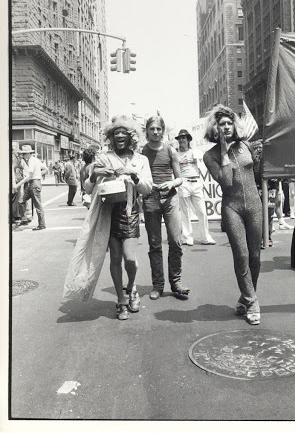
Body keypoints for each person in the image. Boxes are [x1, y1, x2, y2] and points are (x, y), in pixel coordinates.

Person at [63, 115, 153, 320]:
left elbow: (147, 188)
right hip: (108, 214)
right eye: (116, 134)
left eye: (124, 133)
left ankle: (131, 288)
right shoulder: (104, 157)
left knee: (130, 259)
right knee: (114, 258)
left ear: (131, 137)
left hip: (129, 212)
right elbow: (87, 187)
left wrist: (134, 175)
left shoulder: (141, 160)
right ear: (111, 138)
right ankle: (121, 300)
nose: (120, 136)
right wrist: (95, 174)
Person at [203, 104, 262, 325]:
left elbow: (257, 172)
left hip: (255, 206)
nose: (226, 127)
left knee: (255, 256)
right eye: (221, 124)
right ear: (214, 128)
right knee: (242, 255)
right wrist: (224, 152)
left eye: (229, 123)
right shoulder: (209, 156)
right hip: (232, 208)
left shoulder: (245, 145)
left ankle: (245, 297)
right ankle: (253, 301)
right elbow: (226, 182)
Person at [142, 116, 190, 300]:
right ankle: (158, 285)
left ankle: (176, 282)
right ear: (147, 131)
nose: (155, 132)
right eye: (152, 129)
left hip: (170, 200)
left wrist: (171, 184)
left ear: (163, 131)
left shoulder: (170, 150)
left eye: (158, 129)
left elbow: (180, 178)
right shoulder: (142, 152)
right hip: (151, 200)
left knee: (176, 242)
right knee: (154, 245)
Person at [175, 129, 215, 246]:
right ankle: (187, 237)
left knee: (202, 211)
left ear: (188, 140)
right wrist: (179, 162)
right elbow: (174, 169)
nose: (182, 140)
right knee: (185, 212)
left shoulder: (196, 152)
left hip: (196, 181)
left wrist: (195, 159)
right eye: (180, 138)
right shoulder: (175, 154)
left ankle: (205, 236)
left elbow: (202, 166)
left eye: (184, 138)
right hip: (184, 182)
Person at [13, 145, 47, 231]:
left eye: (24, 154)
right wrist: (38, 174)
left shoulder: (32, 161)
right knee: (21, 201)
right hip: (32, 183)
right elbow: (45, 169)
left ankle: (42, 224)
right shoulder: (34, 160)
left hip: (34, 183)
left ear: (28, 154)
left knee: (37, 205)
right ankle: (24, 219)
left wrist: (17, 185)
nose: (23, 155)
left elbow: (29, 176)